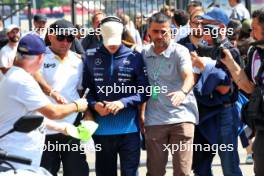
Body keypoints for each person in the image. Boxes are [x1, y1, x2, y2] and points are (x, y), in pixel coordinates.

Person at [0, 34, 88, 170]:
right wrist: (77, 106)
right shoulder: (22, 80)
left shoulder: (13, 75)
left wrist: (62, 128)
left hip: (17, 157)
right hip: (16, 160)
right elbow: (53, 112)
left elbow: (29, 117)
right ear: (41, 58)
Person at [82, 16, 150, 176]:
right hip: (102, 131)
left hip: (129, 130)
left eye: (115, 41)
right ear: (99, 35)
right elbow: (86, 90)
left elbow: (145, 91)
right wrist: (94, 105)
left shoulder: (135, 57)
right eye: (108, 41)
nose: (112, 45)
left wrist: (123, 102)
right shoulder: (90, 56)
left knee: (130, 173)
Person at [141, 12, 198, 176]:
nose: (159, 36)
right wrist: (142, 112)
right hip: (155, 120)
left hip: (182, 117)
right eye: (155, 31)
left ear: (171, 32)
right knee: (155, 172)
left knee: (182, 171)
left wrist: (182, 92)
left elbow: (189, 76)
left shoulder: (180, 51)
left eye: (163, 31)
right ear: (149, 32)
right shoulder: (143, 54)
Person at [36, 19, 89, 176]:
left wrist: (87, 115)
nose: (65, 42)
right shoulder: (39, 57)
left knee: (77, 171)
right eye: (61, 38)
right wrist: (51, 91)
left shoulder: (78, 60)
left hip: (72, 126)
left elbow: (81, 91)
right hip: (45, 127)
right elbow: (32, 77)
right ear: (51, 36)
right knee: (45, 172)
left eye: (70, 39)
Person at [221, 8, 264, 176]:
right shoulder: (254, 52)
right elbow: (248, 86)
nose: (251, 32)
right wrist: (230, 62)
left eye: (254, 28)